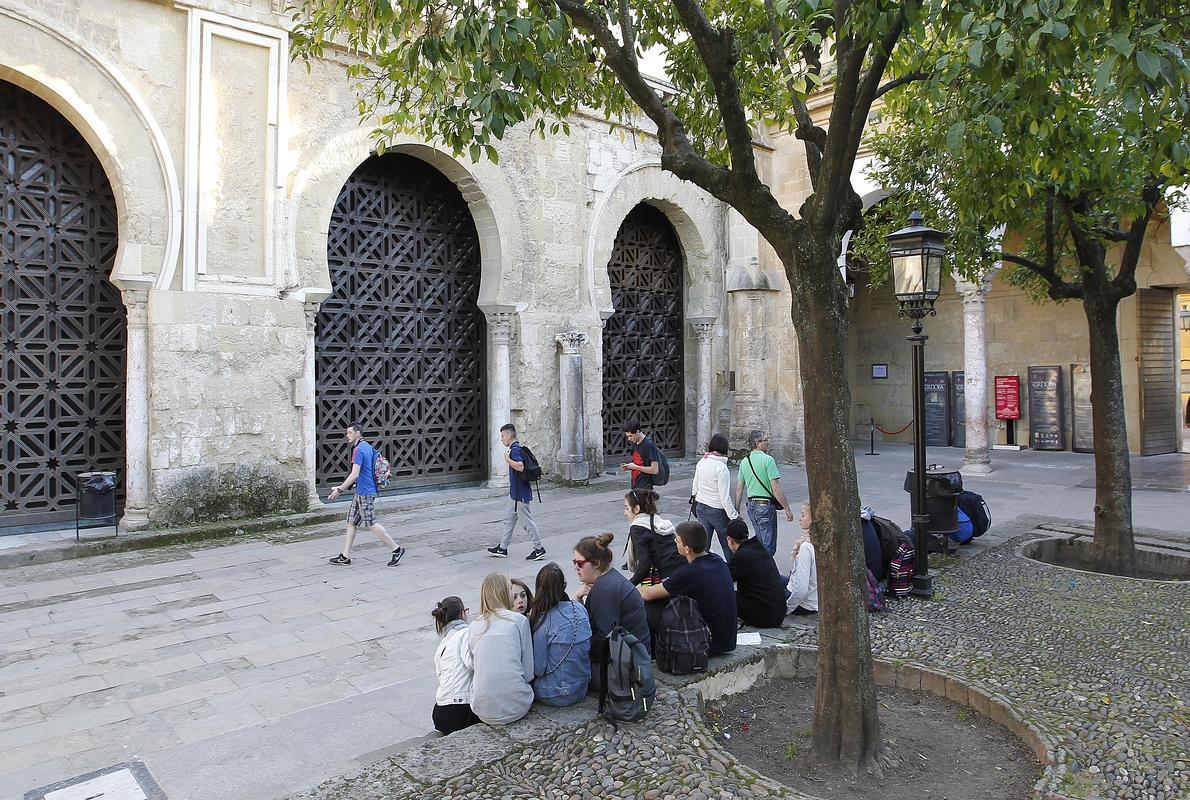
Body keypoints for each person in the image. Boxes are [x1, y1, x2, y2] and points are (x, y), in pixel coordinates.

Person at [639, 521, 737, 655]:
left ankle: (653, 654)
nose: (675, 542)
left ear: (687, 549)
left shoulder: (690, 572)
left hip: (708, 643)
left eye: (677, 540)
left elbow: (648, 594)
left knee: (650, 606)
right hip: (727, 640)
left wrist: (632, 589)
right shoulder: (717, 560)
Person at [573, 533, 650, 690]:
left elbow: (604, 642)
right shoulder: (610, 578)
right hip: (636, 658)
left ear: (597, 564)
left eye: (580, 563)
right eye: (574, 562)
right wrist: (578, 598)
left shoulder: (604, 590)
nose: (576, 568)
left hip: (629, 670)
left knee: (571, 671)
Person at [327, 423, 405, 567]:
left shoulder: (358, 450)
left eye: (349, 432)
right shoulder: (367, 447)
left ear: (357, 433)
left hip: (365, 493)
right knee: (352, 522)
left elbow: (355, 474)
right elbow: (365, 472)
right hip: (362, 491)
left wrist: (340, 490)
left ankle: (396, 549)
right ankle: (345, 556)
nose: (347, 435)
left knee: (371, 524)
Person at [468, 573, 535, 725]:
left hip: (482, 709)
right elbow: (528, 672)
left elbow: (474, 666)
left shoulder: (473, 626)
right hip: (518, 706)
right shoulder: (519, 621)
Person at [527, 563, 592, 707]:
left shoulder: (543, 622)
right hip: (582, 687)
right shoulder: (579, 609)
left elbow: (538, 669)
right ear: (563, 585)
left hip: (555, 693)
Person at [487, 424, 546, 561]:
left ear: (509, 436)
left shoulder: (515, 450)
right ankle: (503, 548)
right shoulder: (515, 448)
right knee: (508, 521)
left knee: (527, 523)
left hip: (520, 495)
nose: (501, 439)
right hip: (514, 494)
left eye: (502, 436)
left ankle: (539, 548)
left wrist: (507, 460)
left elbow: (520, 466)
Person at [734, 429, 794, 556]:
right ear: (757, 443)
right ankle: (764, 568)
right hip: (765, 506)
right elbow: (775, 488)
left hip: (751, 506)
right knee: (768, 548)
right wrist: (787, 509)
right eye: (765, 440)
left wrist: (737, 509)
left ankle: (758, 566)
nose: (768, 442)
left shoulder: (745, 461)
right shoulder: (768, 460)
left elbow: (739, 489)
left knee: (760, 544)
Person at [724, 519, 787, 628]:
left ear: (730, 540)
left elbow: (724, 577)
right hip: (778, 610)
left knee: (723, 594)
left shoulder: (742, 556)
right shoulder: (758, 547)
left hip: (766, 616)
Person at [430, 596, 479, 735]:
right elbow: (473, 663)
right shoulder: (465, 634)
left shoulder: (443, 644)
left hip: (440, 711)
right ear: (463, 613)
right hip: (461, 710)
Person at [691, 433, 739, 562]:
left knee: (703, 545)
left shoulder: (702, 462)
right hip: (717, 510)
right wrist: (734, 516)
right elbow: (724, 497)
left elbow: (695, 487)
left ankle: (702, 567)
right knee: (727, 544)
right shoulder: (721, 468)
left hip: (701, 506)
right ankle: (733, 569)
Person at [786, 503, 819, 615]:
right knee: (776, 579)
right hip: (816, 598)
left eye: (803, 515)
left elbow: (801, 589)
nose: (800, 519)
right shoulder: (823, 540)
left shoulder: (806, 547)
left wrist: (787, 608)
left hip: (806, 604)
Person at [619, 419, 662, 491]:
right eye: (627, 436)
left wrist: (635, 467)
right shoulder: (635, 442)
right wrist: (629, 466)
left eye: (630, 436)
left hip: (645, 488)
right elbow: (638, 462)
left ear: (637, 432)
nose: (629, 439)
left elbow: (655, 470)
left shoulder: (648, 444)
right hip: (636, 485)